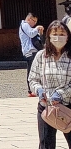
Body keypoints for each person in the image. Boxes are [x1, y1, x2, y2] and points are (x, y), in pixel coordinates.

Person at [29, 20, 71, 149]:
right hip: (46, 106)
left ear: (68, 36)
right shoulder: (41, 56)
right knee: (46, 144)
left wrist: (61, 93)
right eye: (55, 34)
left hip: (68, 106)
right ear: (49, 36)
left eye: (62, 34)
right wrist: (39, 90)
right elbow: (33, 79)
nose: (58, 37)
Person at [23, 13, 47, 95]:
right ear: (29, 19)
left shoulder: (30, 28)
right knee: (31, 71)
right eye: (34, 21)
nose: (35, 23)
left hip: (33, 51)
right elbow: (31, 34)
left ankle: (34, 89)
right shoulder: (25, 25)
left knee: (35, 70)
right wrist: (37, 28)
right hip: (30, 52)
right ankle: (31, 90)